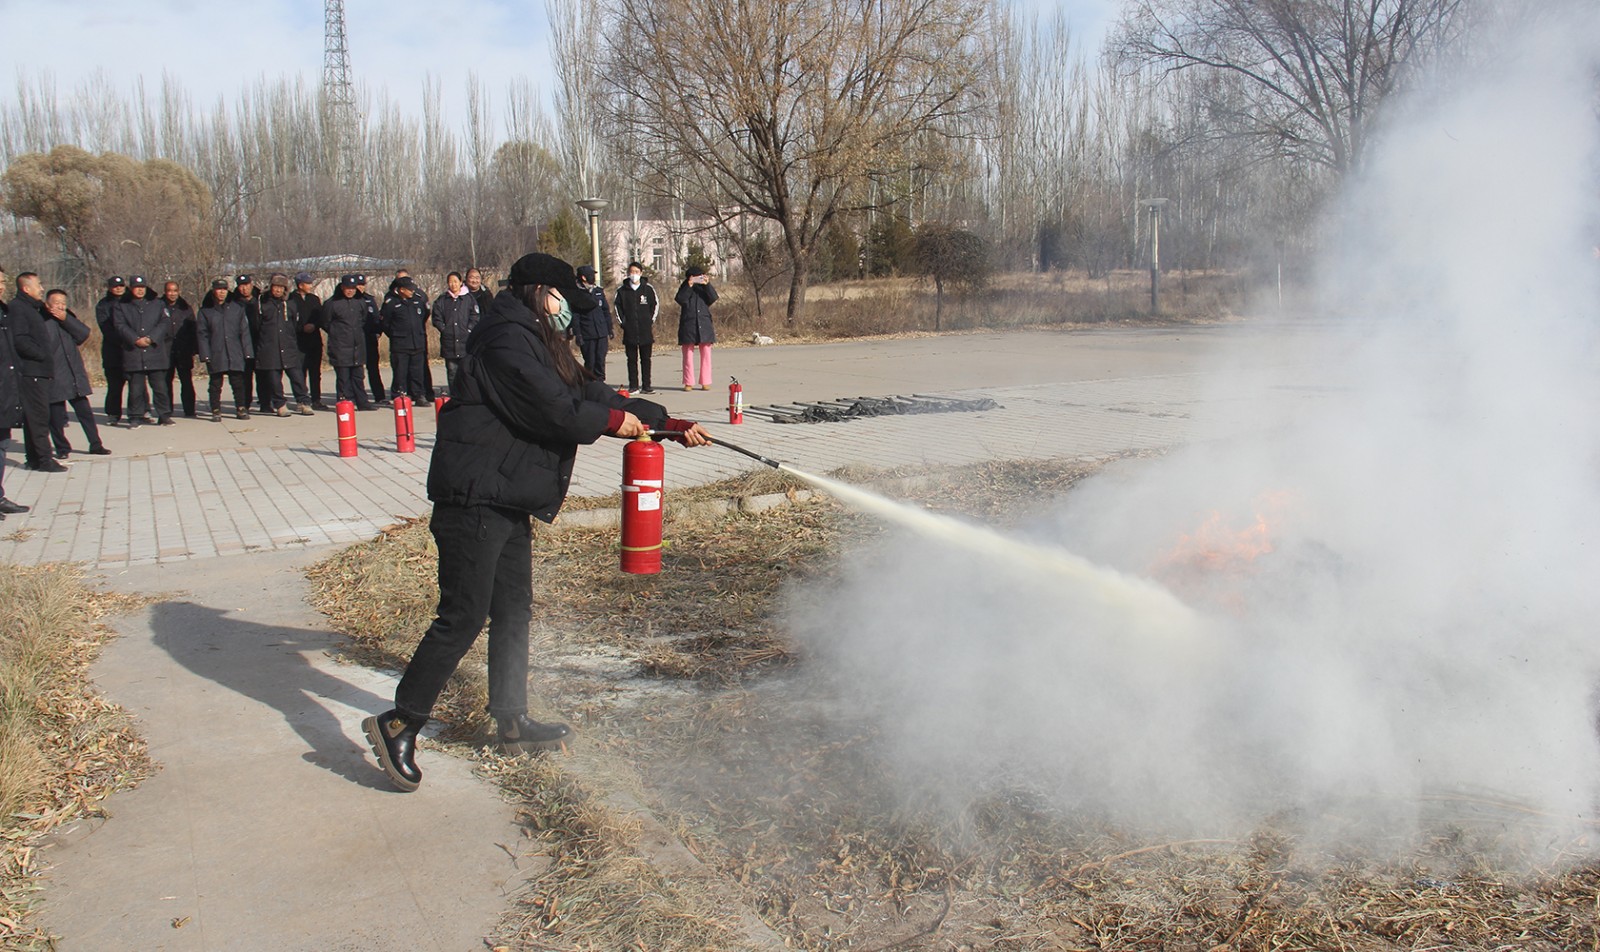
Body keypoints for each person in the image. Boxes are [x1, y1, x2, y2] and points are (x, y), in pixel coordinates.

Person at [361, 252, 711, 792]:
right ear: (536, 292)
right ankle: (400, 722)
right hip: (475, 496)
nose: (566, 306)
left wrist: (663, 421)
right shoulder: (505, 339)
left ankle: (511, 719)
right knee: (463, 615)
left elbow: (586, 391)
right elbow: (556, 410)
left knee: (512, 612)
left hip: (506, 497)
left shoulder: (537, 339)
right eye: (559, 296)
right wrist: (619, 424)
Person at [41, 289, 109, 458]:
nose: (60, 306)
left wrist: (65, 319)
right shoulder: (41, 319)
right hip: (55, 376)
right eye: (56, 303)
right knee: (56, 418)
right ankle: (62, 449)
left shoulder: (67, 318)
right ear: (47, 304)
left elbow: (83, 334)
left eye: (63, 303)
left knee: (85, 413)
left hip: (74, 375)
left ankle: (96, 444)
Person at [10, 272, 63, 470]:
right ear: (26, 288)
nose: (42, 289)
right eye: (38, 285)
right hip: (31, 371)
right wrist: (41, 354)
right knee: (39, 417)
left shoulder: (32, 308)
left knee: (35, 416)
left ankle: (33, 458)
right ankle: (44, 459)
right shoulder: (18, 308)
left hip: (39, 371)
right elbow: (20, 339)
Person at [113, 276, 176, 427]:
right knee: (136, 389)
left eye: (143, 287)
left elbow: (164, 322)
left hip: (154, 351)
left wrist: (151, 338)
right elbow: (120, 325)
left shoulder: (158, 303)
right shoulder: (122, 305)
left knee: (160, 387)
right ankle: (135, 416)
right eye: (137, 287)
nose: (140, 290)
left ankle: (164, 415)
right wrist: (135, 339)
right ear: (131, 288)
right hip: (134, 352)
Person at [256, 274, 314, 415]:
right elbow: (256, 325)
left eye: (281, 288)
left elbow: (294, 324)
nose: (278, 290)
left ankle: (303, 402)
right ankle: (280, 404)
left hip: (289, 347)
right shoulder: (262, 304)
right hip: (270, 348)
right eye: (275, 287)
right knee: (275, 381)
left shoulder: (290, 304)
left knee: (297, 378)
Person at [196, 280, 254, 421]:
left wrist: (247, 352)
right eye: (219, 289)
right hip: (216, 351)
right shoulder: (206, 311)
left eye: (224, 289)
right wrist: (205, 354)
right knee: (215, 384)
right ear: (213, 291)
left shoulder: (236, 309)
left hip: (235, 351)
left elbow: (244, 332)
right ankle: (216, 410)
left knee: (238, 382)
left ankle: (241, 408)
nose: (222, 292)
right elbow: (202, 334)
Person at [0, 271, 33, 517]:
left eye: (2, 282)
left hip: (6, 390)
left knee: (2, 443)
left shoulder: (5, 312)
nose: (1, 286)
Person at [323, 276, 375, 409]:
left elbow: (363, 320)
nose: (350, 291)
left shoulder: (360, 302)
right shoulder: (332, 303)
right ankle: (346, 402)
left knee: (358, 376)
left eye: (353, 288)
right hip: (340, 345)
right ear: (342, 288)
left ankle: (362, 402)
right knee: (343, 377)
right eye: (348, 288)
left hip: (357, 345)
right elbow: (325, 322)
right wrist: (338, 333)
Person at [380, 276, 429, 402]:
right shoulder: (391, 303)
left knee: (417, 372)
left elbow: (424, 316)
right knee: (400, 373)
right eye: (409, 289)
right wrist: (395, 334)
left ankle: (418, 395)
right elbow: (385, 323)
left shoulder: (417, 301)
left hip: (417, 342)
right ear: (401, 290)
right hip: (400, 344)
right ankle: (399, 395)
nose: (412, 291)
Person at [431, 271, 480, 393]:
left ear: (460, 282)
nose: (453, 284)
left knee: (466, 370)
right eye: (450, 282)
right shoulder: (442, 300)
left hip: (465, 341)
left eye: (455, 281)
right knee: (452, 371)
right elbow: (436, 317)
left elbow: (475, 316)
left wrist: (468, 329)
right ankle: (454, 394)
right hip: (449, 342)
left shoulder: (468, 299)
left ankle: (467, 393)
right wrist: (444, 329)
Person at [614, 261, 659, 393]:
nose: (634, 275)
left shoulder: (648, 289)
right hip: (630, 331)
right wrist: (623, 322)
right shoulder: (622, 291)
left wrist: (650, 320)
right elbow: (618, 308)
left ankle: (647, 386)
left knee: (646, 359)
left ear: (641, 273)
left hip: (645, 330)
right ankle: (634, 385)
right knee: (631, 359)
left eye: (636, 272)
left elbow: (654, 305)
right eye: (631, 272)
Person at [676, 264, 717, 391]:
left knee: (706, 353)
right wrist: (689, 285)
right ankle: (688, 382)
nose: (698, 279)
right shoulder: (685, 287)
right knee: (687, 354)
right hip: (688, 323)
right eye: (695, 277)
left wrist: (707, 284)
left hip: (704, 323)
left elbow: (713, 298)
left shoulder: (703, 288)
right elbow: (680, 299)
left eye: (700, 276)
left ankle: (705, 381)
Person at [161, 281, 199, 418]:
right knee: (165, 382)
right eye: (169, 291)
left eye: (175, 291)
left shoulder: (185, 308)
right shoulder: (158, 306)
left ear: (179, 291)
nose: (172, 294)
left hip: (183, 350)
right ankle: (166, 410)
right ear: (165, 292)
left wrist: (194, 349)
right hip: (165, 350)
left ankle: (189, 410)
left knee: (186, 382)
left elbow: (193, 329)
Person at [291, 272, 327, 409]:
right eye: (308, 283)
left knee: (315, 372)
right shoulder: (291, 299)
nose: (310, 286)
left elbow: (320, 317)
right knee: (300, 372)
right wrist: (301, 328)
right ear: (300, 285)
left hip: (314, 340)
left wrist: (314, 325)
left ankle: (316, 399)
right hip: (298, 341)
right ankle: (302, 399)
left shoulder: (314, 299)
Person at [95, 276, 128, 425]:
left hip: (132, 349)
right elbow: (106, 329)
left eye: (121, 285)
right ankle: (113, 413)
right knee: (115, 385)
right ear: (109, 288)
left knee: (137, 384)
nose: (119, 288)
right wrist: (124, 340)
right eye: (115, 286)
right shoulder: (103, 305)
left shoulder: (131, 301)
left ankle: (140, 411)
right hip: (113, 350)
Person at [573, 265, 613, 381]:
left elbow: (605, 311)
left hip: (601, 332)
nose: (593, 277)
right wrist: (578, 334)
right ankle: (590, 386)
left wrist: (609, 328)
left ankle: (601, 384)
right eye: (591, 275)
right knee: (590, 362)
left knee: (600, 360)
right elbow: (575, 316)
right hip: (587, 334)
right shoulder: (578, 294)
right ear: (583, 277)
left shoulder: (598, 291)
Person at [228, 275, 262, 411]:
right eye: (241, 285)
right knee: (245, 376)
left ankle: (265, 402)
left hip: (260, 341)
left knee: (263, 374)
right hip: (241, 343)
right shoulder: (233, 301)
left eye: (247, 285)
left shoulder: (260, 299)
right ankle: (245, 403)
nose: (244, 288)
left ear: (251, 285)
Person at [357, 274, 387, 404]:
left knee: (373, 369)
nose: (360, 287)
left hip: (369, 339)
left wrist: (378, 331)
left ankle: (379, 396)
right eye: (358, 285)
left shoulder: (369, 299)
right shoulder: (350, 300)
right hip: (355, 341)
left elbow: (376, 318)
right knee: (356, 371)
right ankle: (358, 397)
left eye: (362, 284)